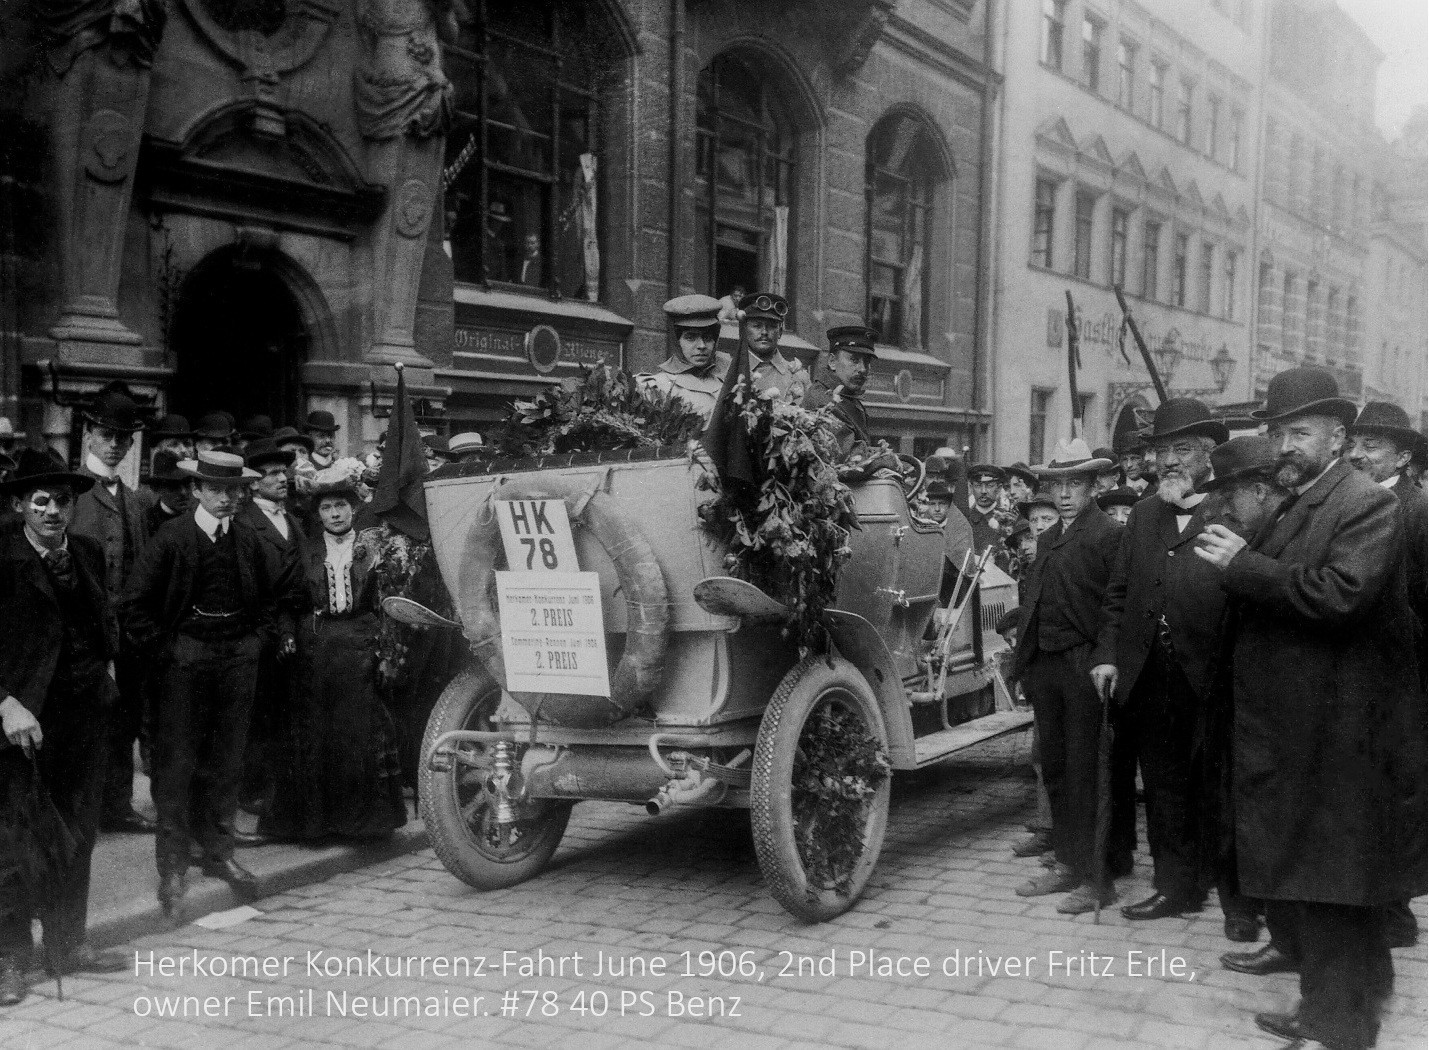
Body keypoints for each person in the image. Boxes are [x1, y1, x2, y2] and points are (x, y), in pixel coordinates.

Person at [1192, 367, 1425, 1050]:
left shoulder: (1361, 502)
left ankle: (1342, 1022)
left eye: (1299, 431)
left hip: (1341, 729)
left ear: (1337, 436)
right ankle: (1333, 1004)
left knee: (1334, 881)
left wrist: (1242, 567)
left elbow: (1340, 594)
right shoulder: (1304, 499)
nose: (1285, 445)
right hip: (1303, 724)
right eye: (1278, 432)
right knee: (1322, 879)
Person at [1089, 399, 1257, 939]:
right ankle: (1175, 886)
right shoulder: (1143, 513)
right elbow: (1116, 594)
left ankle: (1239, 902)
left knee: (1221, 787)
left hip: (1214, 672)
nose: (1168, 461)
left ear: (1208, 454)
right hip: (1148, 671)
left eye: (1181, 449)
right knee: (1162, 785)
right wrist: (1108, 654)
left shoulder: (1238, 508)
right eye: (1161, 451)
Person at [121, 449, 303, 916]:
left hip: (236, 660)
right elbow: (135, 606)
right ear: (197, 490)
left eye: (234, 490)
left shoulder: (246, 538)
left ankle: (219, 853)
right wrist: (169, 649)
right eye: (217, 490)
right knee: (178, 764)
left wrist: (256, 642)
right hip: (185, 661)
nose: (226, 499)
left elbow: (273, 595)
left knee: (227, 759)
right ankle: (174, 864)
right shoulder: (172, 538)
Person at [0, 449, 129, 1005]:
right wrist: (6, 702)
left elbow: (99, 621)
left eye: (63, 502)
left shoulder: (86, 553)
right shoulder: (1, 562)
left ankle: (67, 943)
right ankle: (10, 957)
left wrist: (106, 670)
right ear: (19, 505)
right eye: (42, 501)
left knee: (79, 829)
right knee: (16, 840)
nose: (54, 511)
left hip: (84, 714)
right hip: (21, 723)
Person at [1011, 439, 1124, 914]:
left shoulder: (1108, 535)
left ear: (1093, 486)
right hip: (1048, 666)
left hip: (1085, 666)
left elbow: (1117, 606)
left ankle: (1098, 880)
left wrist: (1108, 657)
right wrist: (1024, 665)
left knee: (1087, 773)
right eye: (1057, 485)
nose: (1063, 494)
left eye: (1074, 484)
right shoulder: (1047, 537)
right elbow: (1035, 604)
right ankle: (1066, 861)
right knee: (1055, 767)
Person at [262, 482, 408, 841]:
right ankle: (318, 824)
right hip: (318, 648)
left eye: (340, 506)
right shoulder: (307, 549)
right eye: (326, 509)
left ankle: (363, 824)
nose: (334, 514)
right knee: (318, 732)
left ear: (353, 508)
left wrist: (387, 652)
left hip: (362, 645)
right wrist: (288, 634)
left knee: (358, 732)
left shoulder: (375, 547)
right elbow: (287, 600)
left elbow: (389, 604)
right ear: (318, 515)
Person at [69, 384, 155, 836]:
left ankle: (117, 805)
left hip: (128, 630)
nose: (115, 444)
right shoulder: (74, 492)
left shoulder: (134, 498)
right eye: (107, 434)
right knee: (85, 718)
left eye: (123, 437)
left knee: (124, 716)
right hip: (85, 629)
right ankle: (81, 811)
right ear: (88, 434)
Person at [236, 439, 307, 829]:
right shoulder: (245, 522)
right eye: (272, 474)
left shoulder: (293, 517)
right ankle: (251, 788)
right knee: (258, 711)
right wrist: (275, 630)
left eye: (284, 471)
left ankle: (279, 785)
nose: (282, 478)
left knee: (285, 706)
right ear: (253, 483)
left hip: (294, 622)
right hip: (263, 628)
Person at [639, 294, 730, 423]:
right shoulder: (657, 386)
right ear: (677, 341)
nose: (702, 346)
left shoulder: (728, 383)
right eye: (690, 338)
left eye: (708, 338)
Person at [804, 325, 877, 452]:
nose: (863, 369)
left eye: (866, 362)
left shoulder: (847, 396)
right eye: (854, 360)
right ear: (832, 361)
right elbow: (848, 457)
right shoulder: (825, 402)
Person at [737, 292, 807, 401]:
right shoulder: (731, 372)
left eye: (771, 326)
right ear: (744, 330)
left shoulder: (797, 376)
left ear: (780, 332)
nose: (764, 332)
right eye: (757, 326)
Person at [143, 451, 192, 538]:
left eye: (187, 484)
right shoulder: (145, 523)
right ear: (156, 488)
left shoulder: (199, 518)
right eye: (173, 486)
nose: (183, 492)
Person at [966, 464, 1006, 555]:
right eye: (978, 485)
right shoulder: (964, 520)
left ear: (999, 488)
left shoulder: (1007, 520)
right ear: (971, 487)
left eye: (989, 486)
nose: (983, 491)